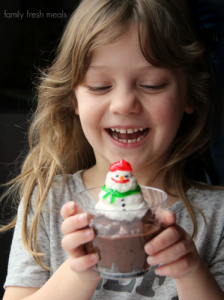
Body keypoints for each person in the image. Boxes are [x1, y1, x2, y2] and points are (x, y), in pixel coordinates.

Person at [1, 0, 224, 299]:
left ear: (190, 94)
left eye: (153, 84)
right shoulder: (48, 200)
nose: (123, 105)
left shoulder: (218, 215)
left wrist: (190, 272)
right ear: (74, 100)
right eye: (99, 86)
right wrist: (79, 271)